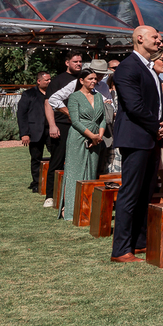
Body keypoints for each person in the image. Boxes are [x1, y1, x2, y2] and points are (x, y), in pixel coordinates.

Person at [110, 26, 163, 263]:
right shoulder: (127, 67)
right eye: (156, 37)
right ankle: (121, 249)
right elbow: (134, 106)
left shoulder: (152, 70)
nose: (160, 41)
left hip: (150, 137)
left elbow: (156, 104)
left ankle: (140, 241)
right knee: (131, 192)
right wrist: (157, 125)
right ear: (139, 38)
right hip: (135, 138)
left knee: (146, 191)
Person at [58, 68, 105, 219]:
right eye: (90, 78)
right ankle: (71, 209)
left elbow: (103, 118)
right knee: (75, 172)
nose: (94, 81)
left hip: (96, 137)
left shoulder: (98, 97)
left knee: (91, 172)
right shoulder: (74, 97)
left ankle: (87, 208)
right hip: (78, 137)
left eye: (95, 79)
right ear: (81, 80)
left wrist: (99, 136)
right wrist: (92, 136)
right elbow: (75, 121)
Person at [43, 51, 85, 207]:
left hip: (80, 125)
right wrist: (52, 125)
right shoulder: (58, 80)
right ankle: (50, 196)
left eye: (80, 61)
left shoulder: (84, 78)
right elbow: (48, 103)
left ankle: (74, 194)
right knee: (57, 160)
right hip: (62, 124)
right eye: (75, 61)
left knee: (78, 160)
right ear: (67, 63)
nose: (78, 64)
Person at [16, 71, 51, 190]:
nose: (49, 82)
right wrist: (24, 133)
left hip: (51, 131)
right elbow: (21, 114)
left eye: (50, 79)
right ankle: (37, 183)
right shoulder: (28, 94)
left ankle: (53, 182)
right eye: (46, 80)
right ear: (39, 81)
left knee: (56, 157)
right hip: (35, 131)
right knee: (36, 158)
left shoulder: (53, 93)